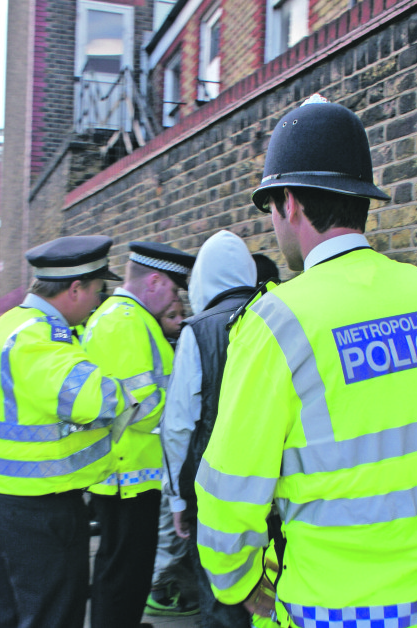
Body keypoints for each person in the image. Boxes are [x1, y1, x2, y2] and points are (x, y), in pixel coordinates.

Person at [195, 95, 417, 628]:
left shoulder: (277, 321)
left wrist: (237, 584)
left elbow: (230, 488)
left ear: (289, 203)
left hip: (344, 609)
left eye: (270, 208)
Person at [0, 235, 136, 628]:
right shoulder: (41, 337)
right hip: (39, 506)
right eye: (98, 290)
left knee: (11, 609)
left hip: (2, 495)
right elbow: (99, 400)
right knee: (53, 615)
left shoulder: (9, 323)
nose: (98, 301)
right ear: (75, 287)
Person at [82, 241, 196, 628]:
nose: (175, 299)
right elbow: (139, 406)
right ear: (154, 280)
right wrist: (186, 407)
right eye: (174, 288)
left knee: (121, 564)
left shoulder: (120, 315)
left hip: (124, 469)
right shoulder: (127, 321)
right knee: (124, 568)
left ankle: (122, 620)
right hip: (128, 473)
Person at [161, 230, 257, 627]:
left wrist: (179, 501)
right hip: (275, 488)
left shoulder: (197, 331)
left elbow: (178, 426)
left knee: (220, 596)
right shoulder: (280, 314)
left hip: (214, 492)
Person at [146, 296, 199, 619]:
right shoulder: (169, 347)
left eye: (182, 314)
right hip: (161, 454)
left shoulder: (181, 342)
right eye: (171, 315)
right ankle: (159, 589)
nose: (178, 320)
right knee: (168, 528)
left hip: (166, 455)